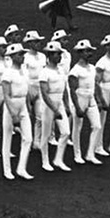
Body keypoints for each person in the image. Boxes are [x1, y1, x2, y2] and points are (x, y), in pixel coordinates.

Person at [1, 43, 33, 180]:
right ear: (13, 57)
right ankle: (7, 170)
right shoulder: (7, 73)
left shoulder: (24, 71)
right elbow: (6, 95)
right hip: (11, 106)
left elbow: (25, 90)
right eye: (20, 54)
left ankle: (21, 168)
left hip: (23, 105)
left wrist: (28, 106)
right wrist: (13, 114)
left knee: (28, 138)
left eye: (23, 54)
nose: (23, 57)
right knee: (7, 138)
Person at [39, 41, 72, 172]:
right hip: (48, 106)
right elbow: (45, 94)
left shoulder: (61, 70)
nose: (59, 57)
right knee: (46, 135)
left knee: (66, 132)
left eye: (60, 54)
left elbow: (64, 90)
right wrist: (54, 109)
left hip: (60, 104)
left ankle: (58, 159)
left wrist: (67, 105)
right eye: (57, 54)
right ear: (50, 55)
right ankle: (45, 161)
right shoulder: (44, 72)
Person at [68, 39, 102, 165]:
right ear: (80, 53)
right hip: (80, 98)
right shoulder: (75, 71)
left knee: (97, 126)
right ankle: (77, 154)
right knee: (77, 128)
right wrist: (77, 107)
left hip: (90, 98)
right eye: (87, 51)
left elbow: (95, 85)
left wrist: (98, 100)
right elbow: (72, 90)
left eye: (90, 51)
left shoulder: (92, 68)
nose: (89, 54)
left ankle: (90, 154)